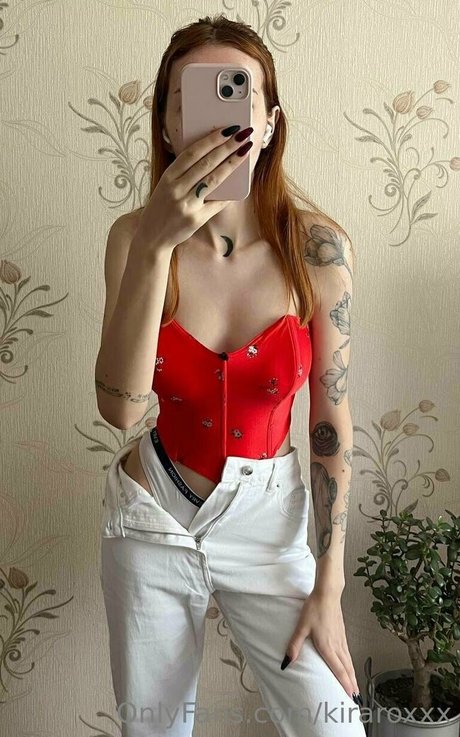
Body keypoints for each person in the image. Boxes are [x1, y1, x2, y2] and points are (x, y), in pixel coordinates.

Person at [95, 13, 365, 737]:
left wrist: (329, 583)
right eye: (191, 98)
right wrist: (156, 246)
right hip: (152, 514)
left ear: (269, 122)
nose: (216, 120)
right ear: (165, 123)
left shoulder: (317, 250)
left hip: (269, 522)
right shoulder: (132, 238)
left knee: (333, 726)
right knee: (153, 728)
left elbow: (331, 424)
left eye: (236, 93)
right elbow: (121, 410)